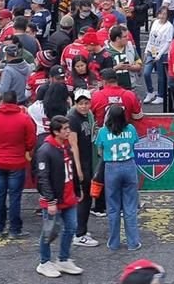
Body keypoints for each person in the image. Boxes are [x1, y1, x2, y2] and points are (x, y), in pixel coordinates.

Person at [35, 115, 84, 278]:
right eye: (65, 129)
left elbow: (70, 170)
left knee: (71, 227)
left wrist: (77, 190)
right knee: (49, 232)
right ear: (56, 132)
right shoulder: (45, 150)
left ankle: (63, 259)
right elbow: (42, 177)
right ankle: (44, 262)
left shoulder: (65, 146)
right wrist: (50, 200)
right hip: (54, 199)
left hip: (69, 196)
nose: (68, 131)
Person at [0, 90, 36, 238]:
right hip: (17, 162)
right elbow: (31, 141)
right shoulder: (24, 119)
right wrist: (22, 149)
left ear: (2, 102)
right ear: (16, 101)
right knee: (15, 197)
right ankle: (14, 229)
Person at [95, 104, 141, 252]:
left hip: (111, 168)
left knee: (113, 207)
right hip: (128, 166)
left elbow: (100, 152)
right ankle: (133, 242)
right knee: (130, 206)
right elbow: (135, 144)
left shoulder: (103, 132)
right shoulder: (131, 129)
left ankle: (114, 243)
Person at [67, 89, 98, 248]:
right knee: (84, 199)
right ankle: (79, 234)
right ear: (75, 103)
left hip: (87, 162)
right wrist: (78, 170)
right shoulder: (73, 119)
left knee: (86, 198)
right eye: (81, 103)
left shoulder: (88, 116)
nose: (84, 106)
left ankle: (81, 229)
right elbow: (73, 147)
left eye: (86, 103)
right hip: (80, 164)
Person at [142, 6, 172, 105]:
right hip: (152, 50)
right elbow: (151, 37)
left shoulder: (169, 26)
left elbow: (168, 42)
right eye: (161, 13)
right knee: (146, 73)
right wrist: (147, 50)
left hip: (162, 53)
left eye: (164, 14)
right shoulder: (155, 22)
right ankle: (150, 91)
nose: (162, 16)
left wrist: (160, 54)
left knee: (161, 76)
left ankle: (161, 95)